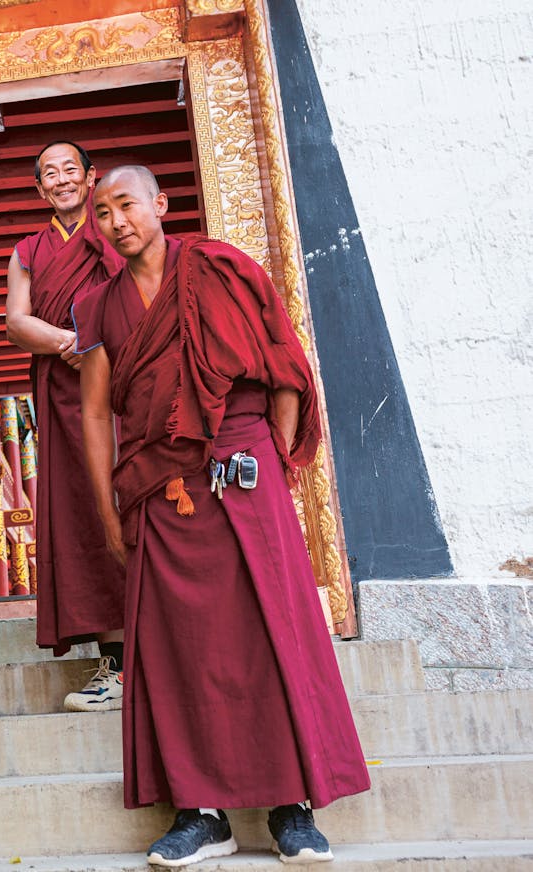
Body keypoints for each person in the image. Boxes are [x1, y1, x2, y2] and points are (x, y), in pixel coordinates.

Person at [73, 165, 371, 866]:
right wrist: (109, 510)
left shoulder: (221, 268)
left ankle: (291, 807)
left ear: (160, 204)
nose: (116, 221)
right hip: (158, 483)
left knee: (273, 630)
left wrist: (272, 458)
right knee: (180, 649)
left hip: (243, 469)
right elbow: (92, 411)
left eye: (126, 205)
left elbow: (282, 367)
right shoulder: (101, 305)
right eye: (104, 212)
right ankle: (201, 813)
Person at [5, 140, 127, 711]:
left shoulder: (116, 231)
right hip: (64, 390)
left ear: (90, 176)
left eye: (69, 170)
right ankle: (117, 661)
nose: (60, 180)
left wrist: (102, 345)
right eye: (48, 174)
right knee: (85, 511)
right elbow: (16, 320)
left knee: (136, 499)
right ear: (39, 189)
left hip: (124, 387)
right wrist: (69, 342)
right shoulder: (29, 249)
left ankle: (164, 648)